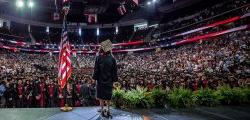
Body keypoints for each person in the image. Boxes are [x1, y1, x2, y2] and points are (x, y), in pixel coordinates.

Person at [92, 39, 118, 117]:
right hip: (109, 81)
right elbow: (114, 71)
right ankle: (109, 110)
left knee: (101, 96)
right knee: (108, 96)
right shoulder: (113, 59)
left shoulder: (98, 57)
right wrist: (114, 81)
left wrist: (94, 78)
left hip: (100, 80)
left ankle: (102, 109)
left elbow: (96, 70)